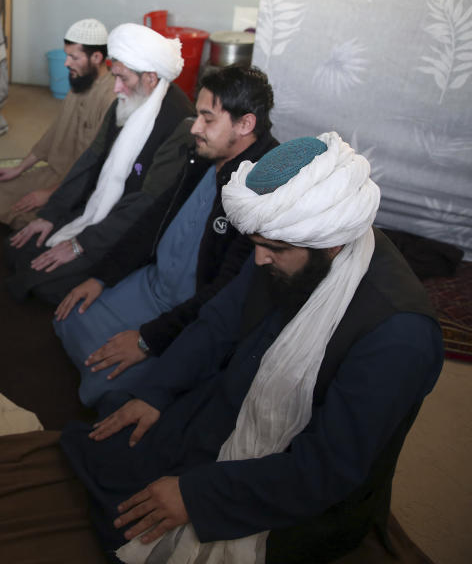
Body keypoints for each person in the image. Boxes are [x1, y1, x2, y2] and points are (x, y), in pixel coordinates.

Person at [60, 133, 443, 563]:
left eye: (273, 249)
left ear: (331, 244)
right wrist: (157, 392)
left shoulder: (399, 336)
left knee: (139, 530)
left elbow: (330, 468)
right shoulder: (284, 246)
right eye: (258, 245)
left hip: (299, 479)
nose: (258, 260)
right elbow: (218, 323)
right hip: (231, 404)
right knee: (109, 456)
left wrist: (199, 495)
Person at [53, 66, 278, 406]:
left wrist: (148, 340)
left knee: (112, 390)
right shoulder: (205, 155)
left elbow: (226, 293)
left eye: (207, 119)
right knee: (68, 316)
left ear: (245, 124)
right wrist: (102, 277)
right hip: (152, 285)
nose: (195, 128)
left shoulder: (262, 189)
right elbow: (154, 219)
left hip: (190, 313)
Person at [5, 23, 195, 304]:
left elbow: (146, 204)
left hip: (137, 226)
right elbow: (91, 160)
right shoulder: (128, 98)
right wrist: (52, 213)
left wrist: (81, 244)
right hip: (103, 207)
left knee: (46, 284)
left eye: (122, 78)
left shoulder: (178, 122)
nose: (116, 87)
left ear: (151, 78)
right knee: (22, 250)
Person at [0, 18, 116, 229]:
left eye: (74, 57)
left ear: (97, 57)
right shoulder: (80, 83)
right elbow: (55, 133)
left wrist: (50, 193)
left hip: (84, 183)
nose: (66, 63)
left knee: (37, 215)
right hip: (61, 173)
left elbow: (97, 162)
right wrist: (19, 168)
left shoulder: (110, 98)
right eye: (66, 56)